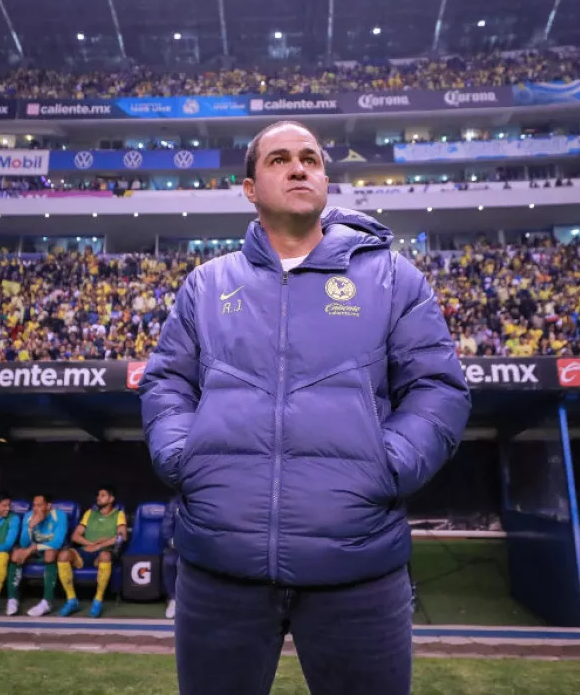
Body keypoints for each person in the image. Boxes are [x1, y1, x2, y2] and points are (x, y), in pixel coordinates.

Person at [141, 121, 470, 695]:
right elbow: (167, 383)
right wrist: (184, 459)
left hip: (358, 566)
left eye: (311, 159)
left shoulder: (394, 278)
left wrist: (385, 467)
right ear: (249, 188)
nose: (299, 168)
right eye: (280, 159)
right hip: (220, 564)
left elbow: (437, 389)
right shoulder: (205, 283)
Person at [8, 493, 72, 617]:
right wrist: (30, 527)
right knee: (16, 554)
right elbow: (23, 543)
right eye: (34, 505)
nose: (35, 509)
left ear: (48, 506)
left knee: (50, 553)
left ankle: (47, 602)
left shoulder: (60, 516)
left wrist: (33, 548)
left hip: (53, 550)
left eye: (39, 505)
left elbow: (57, 543)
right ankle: (12, 599)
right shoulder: (28, 516)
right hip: (34, 551)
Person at [68, 485, 127, 619]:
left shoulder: (119, 514)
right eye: (98, 495)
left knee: (105, 555)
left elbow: (121, 536)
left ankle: (98, 600)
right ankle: (71, 599)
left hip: (102, 553)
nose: (99, 498)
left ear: (111, 499)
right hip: (85, 551)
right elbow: (75, 536)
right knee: (64, 555)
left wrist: (99, 546)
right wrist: (92, 544)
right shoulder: (90, 513)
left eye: (103, 495)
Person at [162, 494, 179, 620]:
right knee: (169, 561)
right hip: (178, 545)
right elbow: (167, 525)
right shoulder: (175, 502)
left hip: (198, 544)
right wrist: (172, 541)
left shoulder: (202, 499)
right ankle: (174, 599)